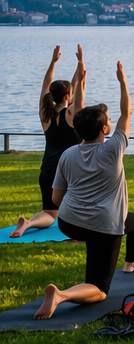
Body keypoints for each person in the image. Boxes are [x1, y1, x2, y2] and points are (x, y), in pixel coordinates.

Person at [34, 61, 134, 319]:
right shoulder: (112, 149)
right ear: (105, 129)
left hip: (69, 224)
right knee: (100, 289)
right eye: (109, 123)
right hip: (103, 225)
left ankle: (129, 262)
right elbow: (127, 113)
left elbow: (55, 198)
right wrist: (122, 80)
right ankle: (62, 295)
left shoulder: (68, 154)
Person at [12, 45, 84, 238]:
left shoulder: (45, 114)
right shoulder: (71, 114)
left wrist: (53, 62)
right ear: (68, 96)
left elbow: (46, 85)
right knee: (77, 206)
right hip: (68, 169)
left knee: (51, 213)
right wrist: (80, 63)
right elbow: (79, 92)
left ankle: (28, 223)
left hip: (47, 169)